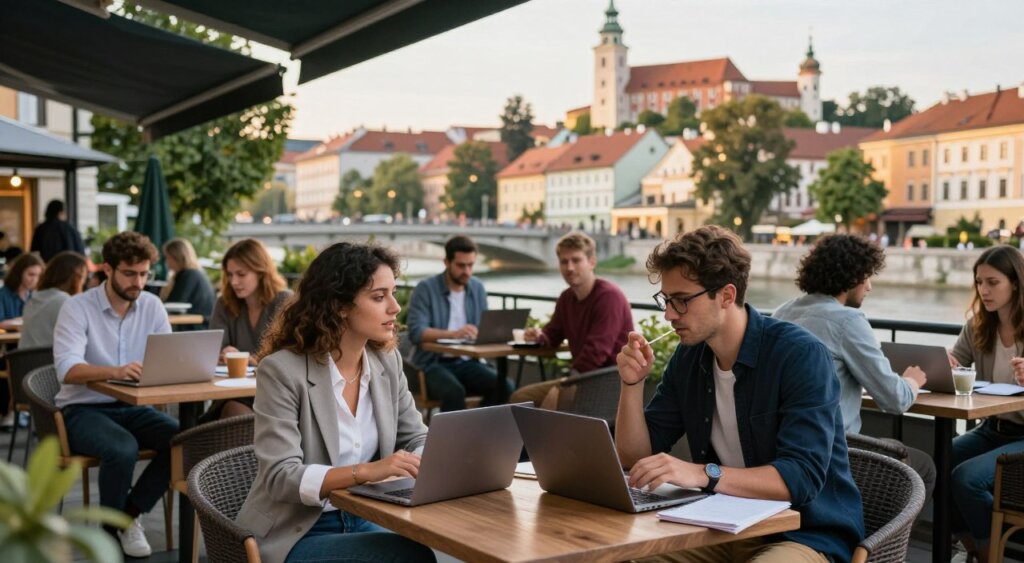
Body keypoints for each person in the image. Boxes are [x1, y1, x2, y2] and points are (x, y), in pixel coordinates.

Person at [616, 225, 863, 563]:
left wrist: (702, 473)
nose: (669, 314)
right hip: (720, 525)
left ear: (727, 296)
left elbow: (801, 478)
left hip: (804, 532)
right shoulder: (689, 358)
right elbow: (633, 457)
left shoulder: (799, 355)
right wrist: (631, 385)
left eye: (682, 301)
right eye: (667, 300)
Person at [236, 242, 436, 563]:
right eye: (379, 296)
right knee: (408, 557)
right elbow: (281, 476)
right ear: (340, 305)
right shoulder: (282, 371)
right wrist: (367, 471)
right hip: (296, 531)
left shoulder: (387, 363)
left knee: (421, 549)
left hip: (368, 515)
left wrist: (426, 462)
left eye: (393, 293)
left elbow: (416, 436)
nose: (395, 307)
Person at [772, 234, 936, 498]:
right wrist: (913, 380)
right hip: (836, 454)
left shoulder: (781, 313)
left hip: (782, 448)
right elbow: (895, 399)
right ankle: (882, 539)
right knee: (924, 467)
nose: (869, 286)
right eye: (866, 276)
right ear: (850, 278)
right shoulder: (848, 321)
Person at [52, 231, 178, 558]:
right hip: (82, 409)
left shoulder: (151, 306)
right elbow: (67, 369)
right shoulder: (77, 307)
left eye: (144, 274)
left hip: (132, 407)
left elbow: (168, 356)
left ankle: (125, 517)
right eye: (130, 273)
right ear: (107, 269)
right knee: (123, 448)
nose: (139, 282)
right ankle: (108, 536)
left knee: (183, 439)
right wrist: (115, 371)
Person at [947, 245, 1024, 563]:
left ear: (1015, 283)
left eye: (993, 282)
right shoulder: (978, 325)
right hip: (992, 428)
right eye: (979, 282)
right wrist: (947, 366)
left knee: (966, 478)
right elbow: (955, 367)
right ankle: (975, 548)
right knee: (936, 462)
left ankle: (992, 554)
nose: (984, 290)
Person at [510, 231, 633, 407]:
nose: (569, 268)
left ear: (592, 262)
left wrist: (567, 381)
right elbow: (553, 333)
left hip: (609, 383)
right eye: (564, 262)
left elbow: (596, 351)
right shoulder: (566, 298)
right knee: (520, 399)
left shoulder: (608, 296)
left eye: (576, 260)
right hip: (583, 378)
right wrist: (538, 336)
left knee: (550, 405)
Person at [406, 235, 513, 411]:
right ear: (446, 262)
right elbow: (417, 332)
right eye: (461, 265)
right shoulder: (426, 289)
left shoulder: (477, 288)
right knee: (454, 392)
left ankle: (479, 433)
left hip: (468, 362)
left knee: (505, 386)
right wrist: (454, 334)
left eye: (471, 265)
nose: (467, 272)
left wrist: (488, 332)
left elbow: (483, 328)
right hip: (432, 364)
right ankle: (451, 439)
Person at [207, 238, 291, 419]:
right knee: (234, 409)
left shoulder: (284, 302)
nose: (234, 281)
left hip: (275, 392)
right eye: (230, 275)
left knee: (236, 411)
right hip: (231, 391)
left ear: (261, 272)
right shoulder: (225, 303)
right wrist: (223, 353)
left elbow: (290, 356)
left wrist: (248, 360)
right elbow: (213, 349)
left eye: (241, 274)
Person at [21, 251, 88, 349]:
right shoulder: (65, 302)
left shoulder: (33, 298)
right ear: (76, 278)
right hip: (50, 362)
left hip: (22, 362)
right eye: (83, 278)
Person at [160, 238, 215, 325]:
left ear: (177, 257)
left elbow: (174, 305)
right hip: (200, 326)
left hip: (194, 328)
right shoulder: (196, 273)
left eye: (168, 257)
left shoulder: (188, 275)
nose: (166, 262)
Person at [0, 252, 43, 321]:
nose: (35, 280)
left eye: (38, 276)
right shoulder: (2, 295)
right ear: (19, 273)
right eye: (31, 274)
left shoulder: (36, 295)